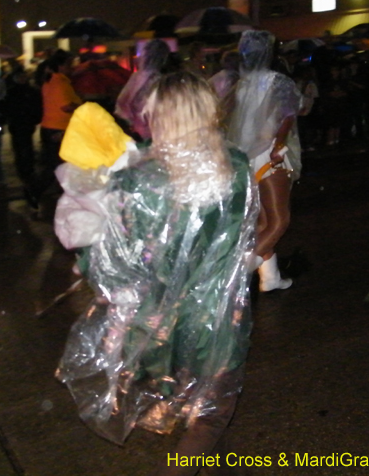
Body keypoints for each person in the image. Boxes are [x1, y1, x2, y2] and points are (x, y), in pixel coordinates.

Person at [56, 72, 257, 475]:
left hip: (158, 322)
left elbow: (109, 259)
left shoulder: (137, 177)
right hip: (216, 318)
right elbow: (247, 230)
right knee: (211, 413)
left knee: (200, 409)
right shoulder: (235, 163)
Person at [227, 30, 302, 291]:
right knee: (280, 220)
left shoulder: (241, 84)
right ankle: (239, 273)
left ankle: (270, 278)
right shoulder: (277, 82)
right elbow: (288, 115)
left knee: (262, 221)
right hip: (270, 155)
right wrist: (280, 145)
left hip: (244, 159)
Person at [25, 49, 82, 209]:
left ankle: (57, 192)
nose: (72, 68)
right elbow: (66, 106)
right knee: (56, 165)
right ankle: (34, 190)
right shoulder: (59, 82)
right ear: (61, 65)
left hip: (53, 127)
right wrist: (83, 106)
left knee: (60, 164)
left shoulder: (51, 80)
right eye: (69, 65)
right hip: (58, 129)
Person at [114, 39, 170, 141]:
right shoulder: (160, 80)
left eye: (141, 54)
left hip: (135, 132)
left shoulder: (137, 77)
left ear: (146, 55)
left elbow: (122, 103)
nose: (139, 57)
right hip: (152, 132)